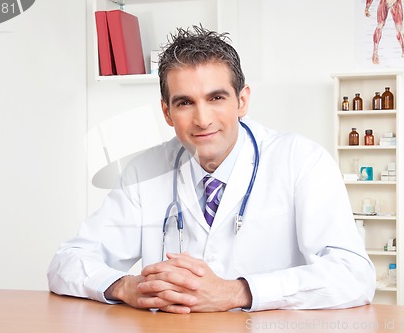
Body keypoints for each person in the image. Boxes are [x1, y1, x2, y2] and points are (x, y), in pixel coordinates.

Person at [47, 26, 375, 313]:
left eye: (216, 97)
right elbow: (66, 262)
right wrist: (125, 287)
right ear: (167, 111)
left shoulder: (302, 161)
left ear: (242, 100)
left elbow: (353, 276)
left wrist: (237, 292)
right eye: (185, 102)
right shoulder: (144, 170)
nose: (202, 119)